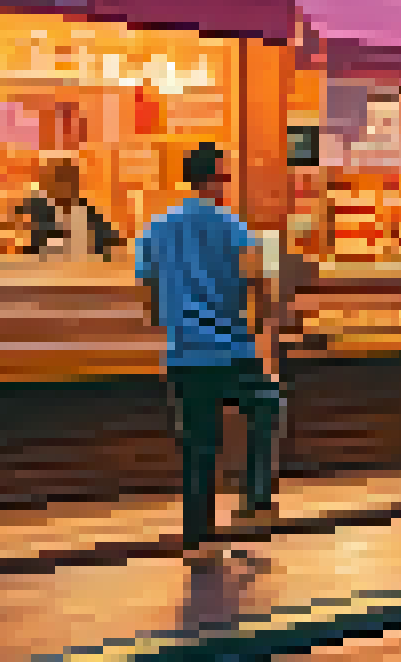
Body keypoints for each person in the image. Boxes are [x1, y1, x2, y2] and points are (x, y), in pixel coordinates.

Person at [134, 143, 282, 567]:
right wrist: (262, 325)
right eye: (224, 177)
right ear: (214, 179)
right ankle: (254, 499)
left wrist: (172, 320)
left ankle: (198, 541)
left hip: (185, 355)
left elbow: (149, 296)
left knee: (198, 449)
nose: (227, 185)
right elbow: (259, 280)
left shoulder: (156, 228)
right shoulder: (233, 227)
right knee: (267, 405)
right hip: (232, 349)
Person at [16, 158, 125, 262]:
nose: (67, 186)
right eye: (60, 180)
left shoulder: (86, 213)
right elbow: (31, 248)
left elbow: (111, 241)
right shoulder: (40, 210)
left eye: (71, 180)